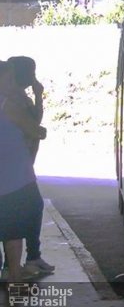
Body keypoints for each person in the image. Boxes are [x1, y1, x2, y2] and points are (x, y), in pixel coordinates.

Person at [4, 56, 55, 277]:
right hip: (15, 174)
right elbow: (36, 128)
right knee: (24, 215)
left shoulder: (13, 99)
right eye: (8, 78)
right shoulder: (9, 103)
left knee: (15, 219)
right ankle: (16, 268)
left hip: (15, 169)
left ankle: (16, 266)